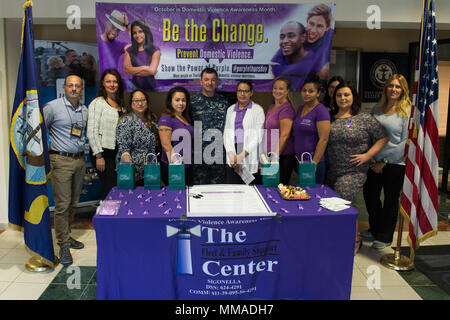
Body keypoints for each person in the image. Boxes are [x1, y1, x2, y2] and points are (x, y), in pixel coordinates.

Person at [326, 82, 388, 255]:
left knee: (343, 202)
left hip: (353, 171)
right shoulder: (330, 117)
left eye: (346, 94)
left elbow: (383, 138)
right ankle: (337, 238)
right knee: (331, 205)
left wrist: (368, 156)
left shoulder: (364, 118)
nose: (343, 98)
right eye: (339, 95)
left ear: (353, 97)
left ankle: (355, 240)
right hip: (332, 170)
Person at [362, 74, 412, 249]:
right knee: (370, 195)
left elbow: (405, 142)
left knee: (390, 200)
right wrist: (373, 158)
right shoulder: (377, 108)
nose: (394, 89)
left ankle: (385, 235)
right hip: (374, 161)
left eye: (398, 87)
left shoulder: (407, 111)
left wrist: (384, 161)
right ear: (386, 88)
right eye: (391, 86)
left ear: (403, 90)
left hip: (394, 164)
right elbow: (369, 134)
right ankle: (375, 228)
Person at [43, 74, 88, 266]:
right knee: (62, 205)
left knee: (73, 203)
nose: (74, 89)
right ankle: (62, 246)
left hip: (79, 160)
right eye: (70, 85)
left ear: (82, 89)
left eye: (77, 86)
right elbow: (38, 130)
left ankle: (67, 236)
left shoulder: (84, 110)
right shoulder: (52, 107)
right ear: (64, 87)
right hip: (60, 160)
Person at [86, 69, 125, 199]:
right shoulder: (98, 103)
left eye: (115, 81)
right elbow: (91, 131)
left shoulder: (121, 105)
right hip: (104, 154)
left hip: (118, 155)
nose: (112, 84)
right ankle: (106, 217)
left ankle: (116, 217)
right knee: (110, 188)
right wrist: (98, 156)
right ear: (103, 83)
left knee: (119, 187)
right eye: (108, 81)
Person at [190, 67, 229, 184]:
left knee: (218, 190)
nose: (209, 83)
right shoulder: (192, 101)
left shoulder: (224, 101)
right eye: (206, 79)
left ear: (217, 82)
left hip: (218, 154)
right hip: (198, 154)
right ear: (201, 81)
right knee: (197, 189)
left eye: (213, 80)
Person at [224, 81, 265, 184]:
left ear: (251, 93)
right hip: (233, 154)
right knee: (234, 190)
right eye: (240, 91)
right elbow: (226, 133)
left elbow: (258, 136)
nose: (242, 94)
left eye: (246, 91)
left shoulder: (258, 110)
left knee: (250, 191)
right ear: (236, 92)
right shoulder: (230, 110)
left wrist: (241, 156)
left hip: (249, 152)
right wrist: (231, 154)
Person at [116, 89, 159, 186]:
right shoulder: (126, 121)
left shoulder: (151, 119)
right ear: (131, 103)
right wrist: (129, 171)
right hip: (133, 173)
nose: (140, 103)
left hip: (150, 170)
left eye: (143, 100)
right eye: (136, 100)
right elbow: (124, 150)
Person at [292, 76, 330, 184]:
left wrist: (314, 164)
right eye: (304, 90)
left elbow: (324, 139)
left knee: (314, 197)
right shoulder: (300, 108)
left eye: (311, 91)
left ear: (318, 93)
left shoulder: (321, 111)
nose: (306, 93)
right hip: (301, 161)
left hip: (314, 163)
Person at [271, 21, 327, 91]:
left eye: (291, 36)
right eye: (282, 37)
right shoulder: (280, 54)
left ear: (303, 38)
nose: (285, 41)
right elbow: (274, 68)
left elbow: (276, 70)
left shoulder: (316, 59)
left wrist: (280, 70)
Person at [158, 86, 194, 186]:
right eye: (177, 100)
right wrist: (177, 166)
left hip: (187, 165)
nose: (181, 103)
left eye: (183, 100)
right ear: (170, 101)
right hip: (174, 167)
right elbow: (166, 145)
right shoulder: (166, 118)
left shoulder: (185, 117)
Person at [264, 78, 296, 184]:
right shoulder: (272, 106)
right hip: (270, 155)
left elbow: (284, 135)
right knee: (268, 186)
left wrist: (275, 157)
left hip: (282, 156)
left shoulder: (286, 109)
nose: (277, 91)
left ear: (287, 91)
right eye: (275, 88)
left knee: (278, 189)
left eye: (281, 88)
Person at [124, 19, 161, 91]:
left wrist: (134, 70)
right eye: (134, 33)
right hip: (134, 88)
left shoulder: (155, 50)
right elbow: (127, 70)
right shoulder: (129, 50)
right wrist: (144, 68)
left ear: (146, 32)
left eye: (140, 32)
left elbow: (152, 71)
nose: (137, 35)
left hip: (151, 89)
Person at [304, 4, 334, 81]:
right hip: (297, 85)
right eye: (311, 24)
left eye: (319, 26)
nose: (313, 30)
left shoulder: (330, 36)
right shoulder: (297, 34)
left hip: (319, 86)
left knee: (324, 69)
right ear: (307, 22)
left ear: (327, 28)